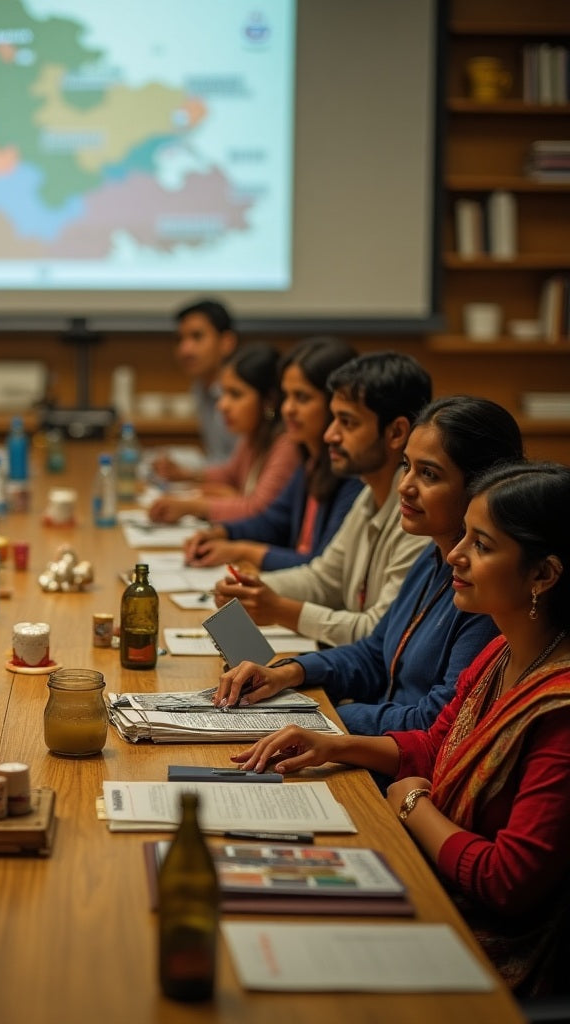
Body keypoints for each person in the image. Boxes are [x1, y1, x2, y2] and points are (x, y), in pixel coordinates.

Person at [233, 462, 570, 996]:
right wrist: (332, 743)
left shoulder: (560, 709)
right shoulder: (502, 651)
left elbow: (507, 882)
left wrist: (414, 806)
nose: (455, 556)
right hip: (434, 877)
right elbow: (438, 742)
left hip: (488, 944)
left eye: (481, 545)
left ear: (543, 575)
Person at [216, 395, 525, 735]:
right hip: (372, 738)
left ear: (480, 487)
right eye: (406, 466)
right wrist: (289, 673)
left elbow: (434, 723)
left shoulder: (486, 589)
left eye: (429, 474)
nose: (405, 486)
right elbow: (376, 653)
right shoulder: (432, 555)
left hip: (396, 764)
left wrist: (322, 719)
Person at [212, 352, 432, 646]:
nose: (331, 435)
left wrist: (278, 608)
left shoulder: (421, 516)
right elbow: (323, 579)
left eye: (347, 422)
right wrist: (253, 589)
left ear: (396, 432)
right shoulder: (370, 493)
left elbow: (380, 634)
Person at [184, 336, 363, 571]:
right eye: (286, 396)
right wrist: (222, 533)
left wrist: (240, 549)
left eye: (302, 397)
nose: (287, 409)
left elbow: (323, 570)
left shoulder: (352, 475)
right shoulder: (311, 458)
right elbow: (273, 520)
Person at [147, 343, 300, 524]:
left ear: (269, 400)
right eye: (223, 393)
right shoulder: (255, 434)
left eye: (235, 394)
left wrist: (191, 507)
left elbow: (258, 510)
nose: (222, 405)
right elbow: (230, 474)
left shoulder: (286, 445)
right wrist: (185, 474)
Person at [150, 298, 239, 478]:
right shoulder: (200, 387)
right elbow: (217, 457)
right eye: (180, 339)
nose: (185, 349)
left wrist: (191, 474)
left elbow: (242, 470)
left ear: (226, 342)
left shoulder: (242, 393)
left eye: (197, 337)